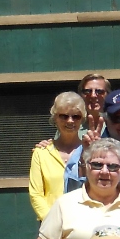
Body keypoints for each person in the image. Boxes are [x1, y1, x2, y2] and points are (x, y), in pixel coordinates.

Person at [30, 92, 86, 221]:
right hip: (51, 225)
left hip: (85, 223)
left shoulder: (89, 151)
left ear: (82, 119)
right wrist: (51, 220)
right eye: (64, 116)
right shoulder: (41, 153)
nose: (70, 121)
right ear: (55, 118)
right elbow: (36, 194)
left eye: (76, 116)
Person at [77, 73, 109, 142]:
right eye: (87, 91)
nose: (93, 95)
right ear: (81, 95)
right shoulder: (71, 125)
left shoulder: (116, 125)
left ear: (108, 95)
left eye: (99, 91)